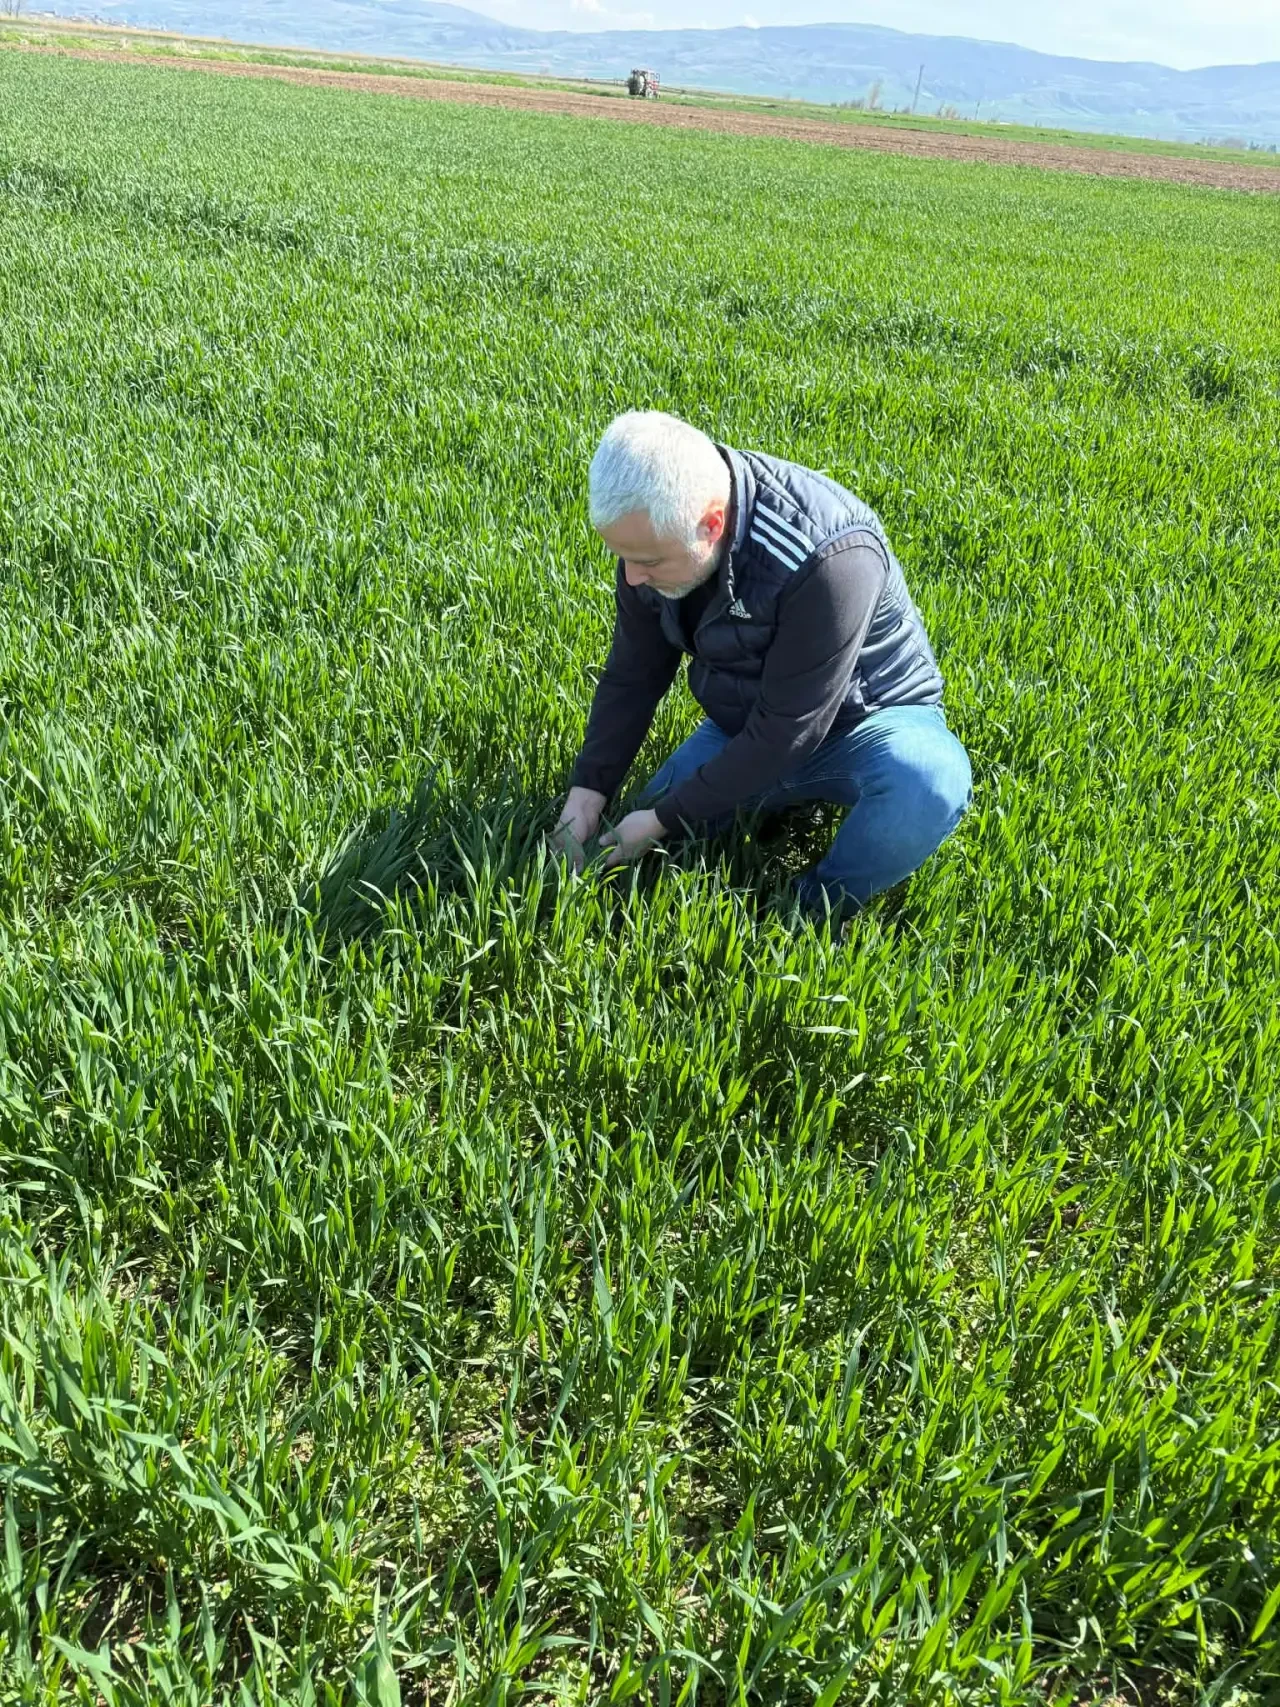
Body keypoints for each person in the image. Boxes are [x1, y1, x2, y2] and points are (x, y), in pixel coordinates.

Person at [552, 410, 971, 920]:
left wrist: (662, 817)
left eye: (649, 562)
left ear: (711, 523)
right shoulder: (653, 544)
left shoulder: (828, 557)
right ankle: (765, 800)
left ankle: (812, 910)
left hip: (865, 726)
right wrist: (588, 792)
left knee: (927, 783)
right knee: (655, 837)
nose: (633, 577)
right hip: (748, 724)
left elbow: (789, 729)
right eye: (623, 557)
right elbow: (634, 674)